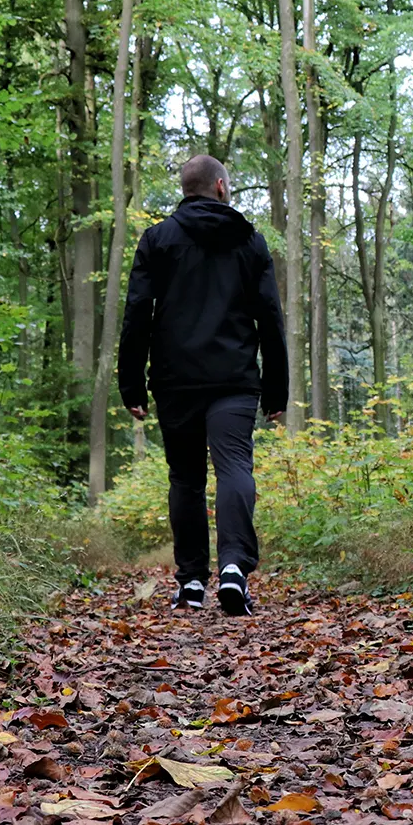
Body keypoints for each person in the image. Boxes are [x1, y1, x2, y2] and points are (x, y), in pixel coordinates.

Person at [117, 154, 288, 615]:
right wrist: (277, 391)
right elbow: (270, 317)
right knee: (234, 467)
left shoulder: (157, 239)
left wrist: (130, 384)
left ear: (186, 188)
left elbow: (137, 314)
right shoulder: (250, 241)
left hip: (175, 381)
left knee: (186, 479)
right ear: (220, 186)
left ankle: (191, 583)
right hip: (233, 378)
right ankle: (234, 567)